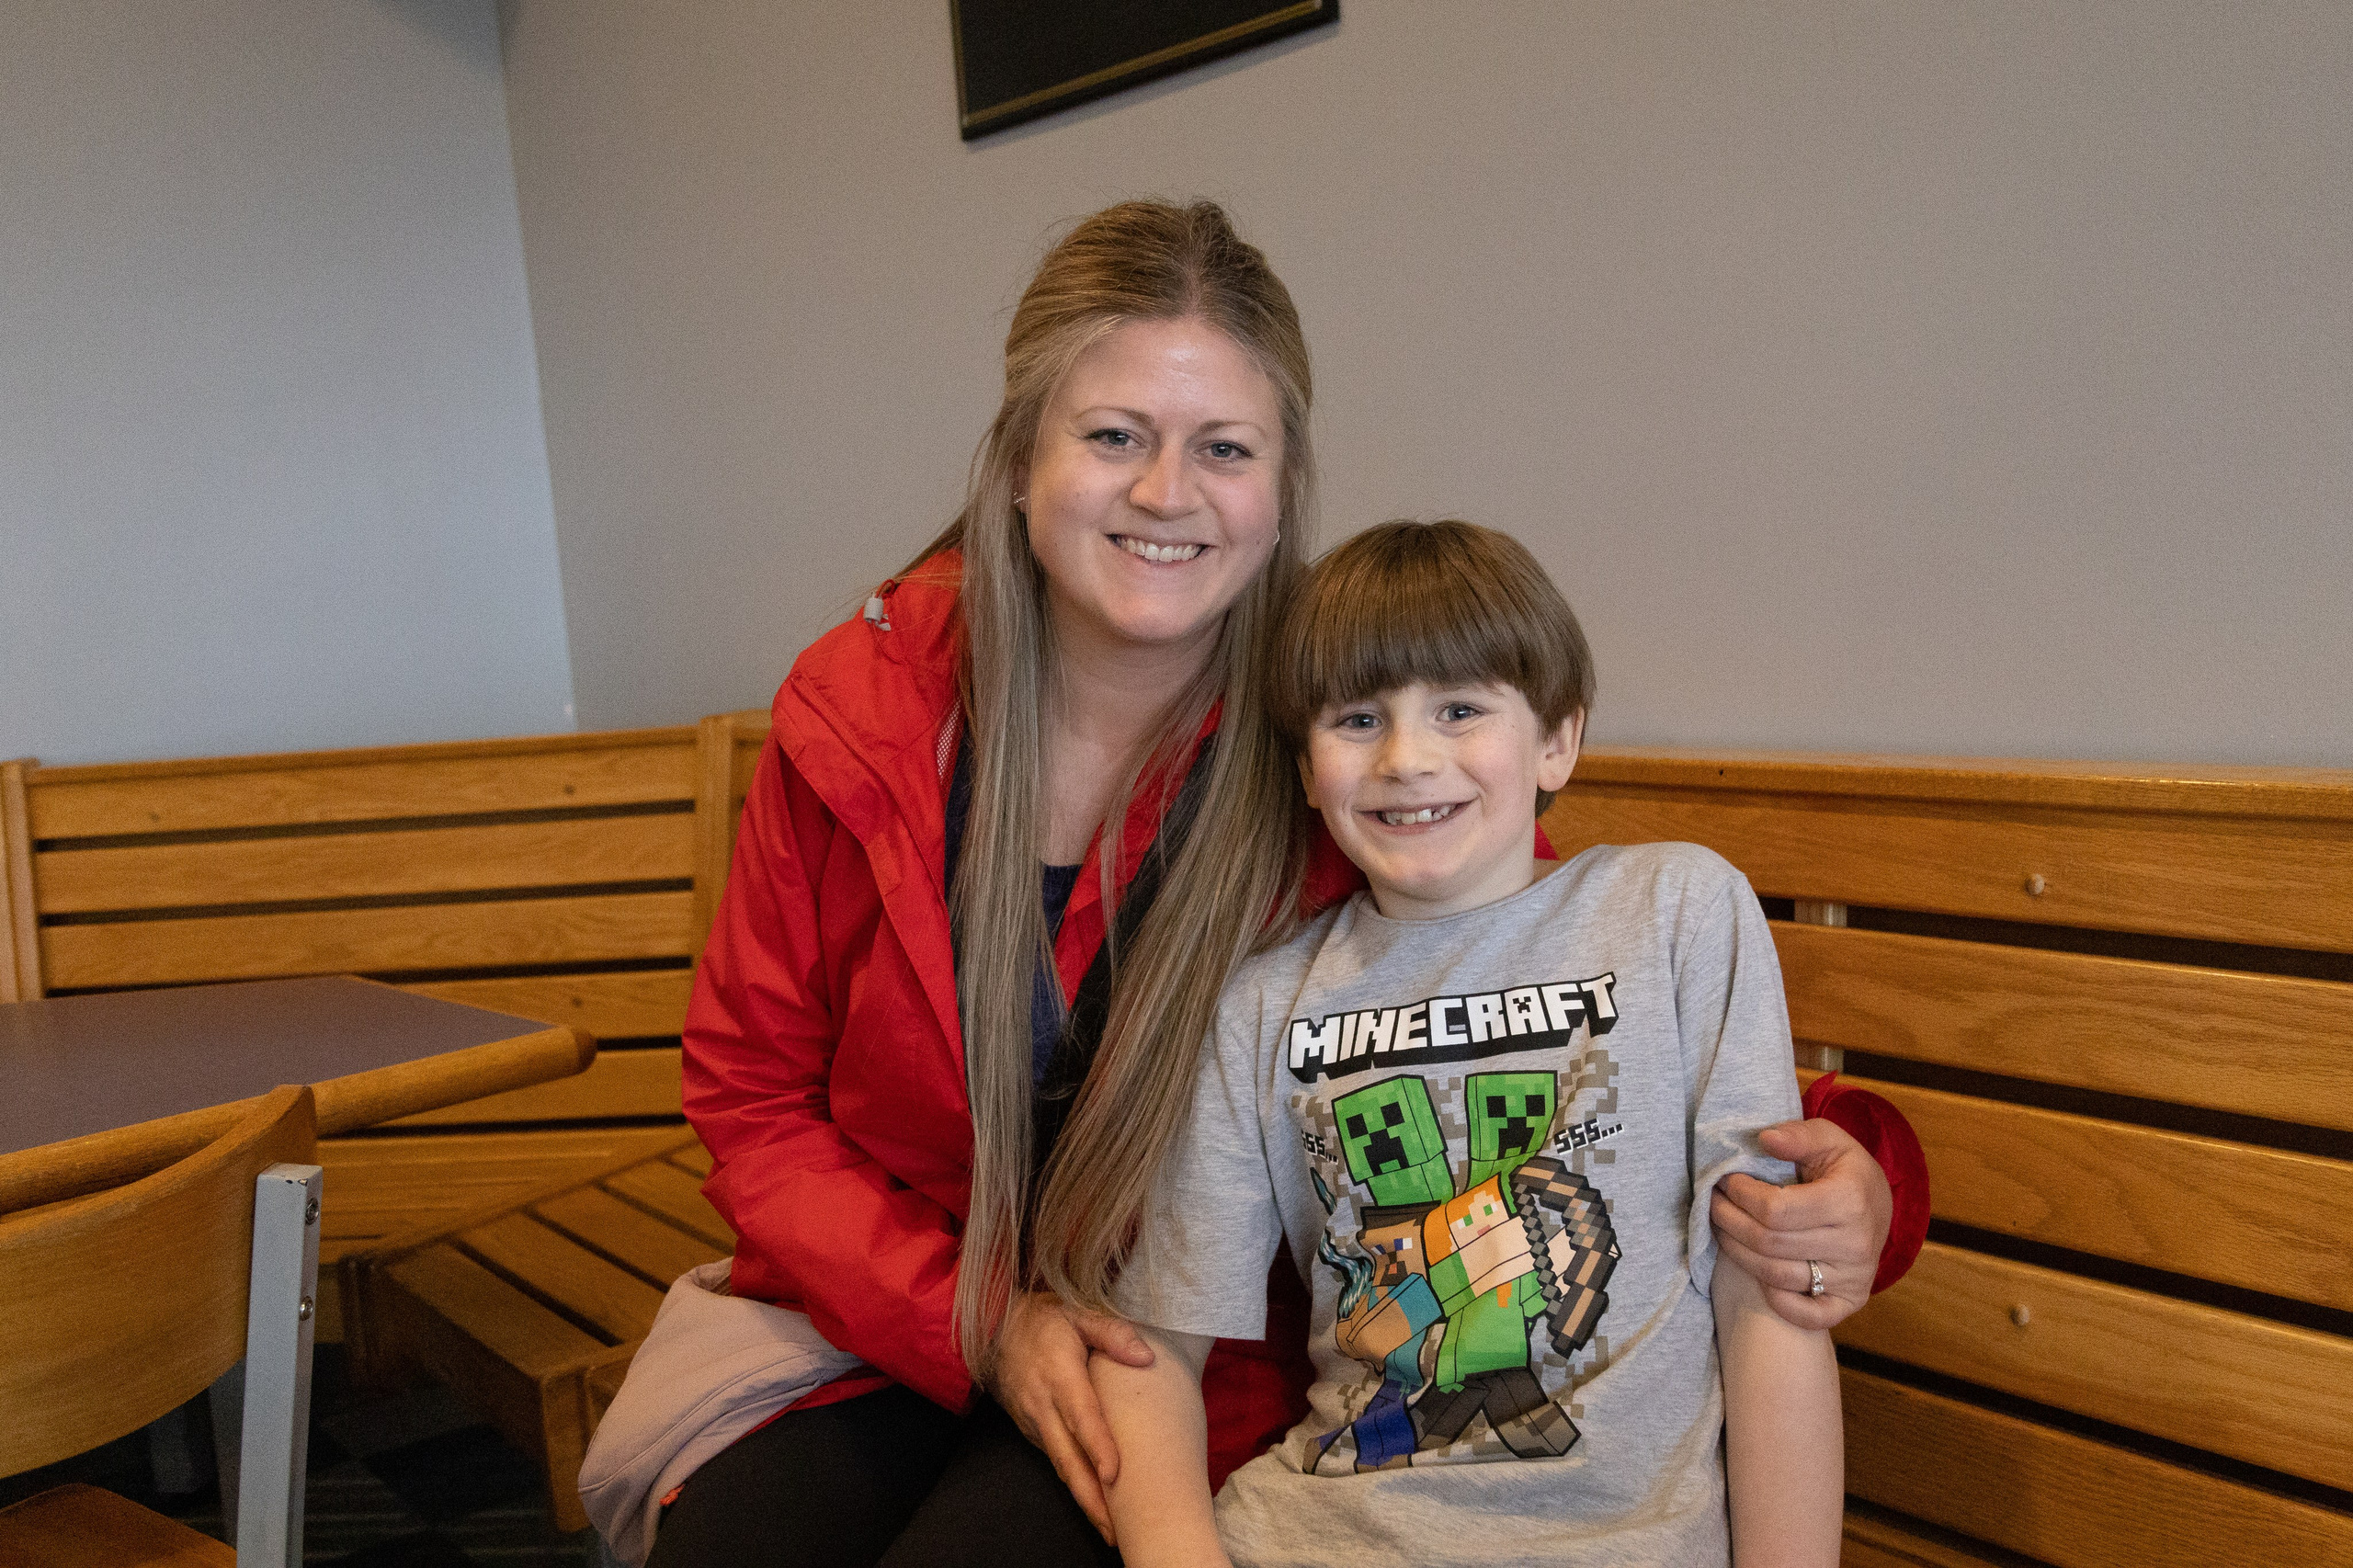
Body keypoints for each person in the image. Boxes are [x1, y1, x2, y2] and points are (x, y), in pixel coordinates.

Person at [653, 201, 1914, 1568]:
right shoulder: (866, 712)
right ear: (1021, 458)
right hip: (890, 1313)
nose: (1165, 493)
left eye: (1224, 448)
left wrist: (1866, 1184)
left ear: (1282, 482)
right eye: (1115, 435)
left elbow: (1550, 1001)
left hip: (1180, 1368)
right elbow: (753, 1094)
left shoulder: (1342, 723)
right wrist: (978, 1323)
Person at [1086, 519, 1842, 1566]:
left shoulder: (1678, 910)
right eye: (1357, 718)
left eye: (1458, 707)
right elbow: (1152, 1349)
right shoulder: (1261, 1001)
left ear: (1556, 739)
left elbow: (1767, 1287)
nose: (1406, 757)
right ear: (1307, 769)